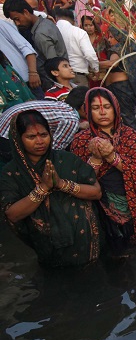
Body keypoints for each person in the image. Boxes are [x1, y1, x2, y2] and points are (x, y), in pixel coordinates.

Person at [0, 109, 102, 266]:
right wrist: (42, 188)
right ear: (18, 139)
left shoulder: (67, 159)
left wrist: (62, 184)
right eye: (31, 137)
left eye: (44, 135)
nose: (39, 141)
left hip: (88, 245)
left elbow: (96, 192)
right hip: (47, 250)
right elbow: (12, 215)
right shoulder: (10, 173)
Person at [70, 88, 136, 251]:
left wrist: (111, 157)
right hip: (99, 206)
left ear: (115, 108)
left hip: (130, 201)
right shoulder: (80, 140)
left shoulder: (131, 136)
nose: (102, 112)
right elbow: (80, 180)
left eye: (107, 107)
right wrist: (96, 158)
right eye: (95, 108)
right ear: (87, 110)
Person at [3, 0, 68, 91]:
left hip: (55, 85)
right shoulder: (45, 22)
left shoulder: (40, 34)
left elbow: (54, 65)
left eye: (17, 19)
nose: (17, 23)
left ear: (25, 12)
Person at [104, 27, 136, 133]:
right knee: (128, 116)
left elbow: (113, 63)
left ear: (118, 38)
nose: (109, 40)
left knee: (126, 117)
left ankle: (134, 141)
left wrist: (94, 64)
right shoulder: (129, 49)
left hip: (120, 89)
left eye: (112, 37)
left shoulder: (117, 49)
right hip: (127, 88)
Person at [54, 8, 99, 87]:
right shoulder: (78, 32)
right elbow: (89, 55)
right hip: (78, 75)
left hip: (58, 76)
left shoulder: (52, 30)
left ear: (57, 18)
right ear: (73, 20)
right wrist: (96, 69)